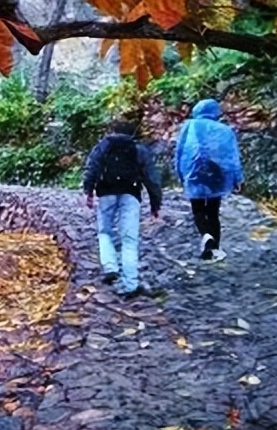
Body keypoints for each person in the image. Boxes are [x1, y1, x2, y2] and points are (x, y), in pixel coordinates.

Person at [83, 120, 162, 299]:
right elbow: (151, 178)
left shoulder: (102, 147)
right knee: (129, 239)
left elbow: (91, 168)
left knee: (104, 231)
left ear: (112, 131)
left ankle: (110, 267)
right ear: (131, 133)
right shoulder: (138, 149)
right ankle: (130, 283)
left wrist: (88, 191)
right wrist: (155, 204)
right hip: (131, 194)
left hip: (106, 193)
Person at [175, 98, 243, 261]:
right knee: (213, 211)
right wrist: (238, 178)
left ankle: (206, 236)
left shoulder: (189, 126)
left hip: (194, 172)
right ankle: (215, 248)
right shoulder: (225, 131)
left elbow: (179, 151)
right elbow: (232, 157)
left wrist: (179, 173)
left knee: (198, 209)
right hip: (217, 174)